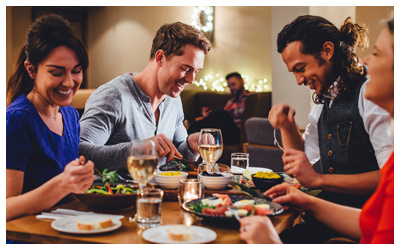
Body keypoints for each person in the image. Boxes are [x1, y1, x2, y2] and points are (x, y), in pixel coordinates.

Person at [239, 17, 394, 244]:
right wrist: (287, 126)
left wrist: (319, 180)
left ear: (327, 51)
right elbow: (303, 163)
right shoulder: (324, 98)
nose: (299, 80)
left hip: (360, 224)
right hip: (325, 216)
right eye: (293, 72)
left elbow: (388, 179)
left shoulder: (369, 94)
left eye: (301, 68)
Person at [79, 22, 211, 172]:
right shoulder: (114, 96)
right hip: (119, 193)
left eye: (196, 72)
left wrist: (191, 145)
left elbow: (178, 155)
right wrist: (139, 149)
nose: (191, 80)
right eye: (186, 69)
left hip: (159, 192)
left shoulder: (173, 97)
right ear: (160, 57)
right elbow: (78, 151)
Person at [6, 14, 94, 222]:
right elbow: (6, 208)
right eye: (57, 73)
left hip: (67, 228)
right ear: (31, 70)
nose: (69, 82)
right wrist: (63, 184)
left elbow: (69, 196)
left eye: (76, 71)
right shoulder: (17, 120)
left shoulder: (70, 115)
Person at [187, 72, 250, 144]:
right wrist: (207, 116)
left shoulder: (250, 98)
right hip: (227, 132)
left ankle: (191, 129)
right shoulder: (231, 102)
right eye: (229, 86)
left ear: (241, 82)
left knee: (221, 113)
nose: (231, 88)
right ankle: (192, 133)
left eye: (233, 84)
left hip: (239, 134)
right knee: (216, 119)